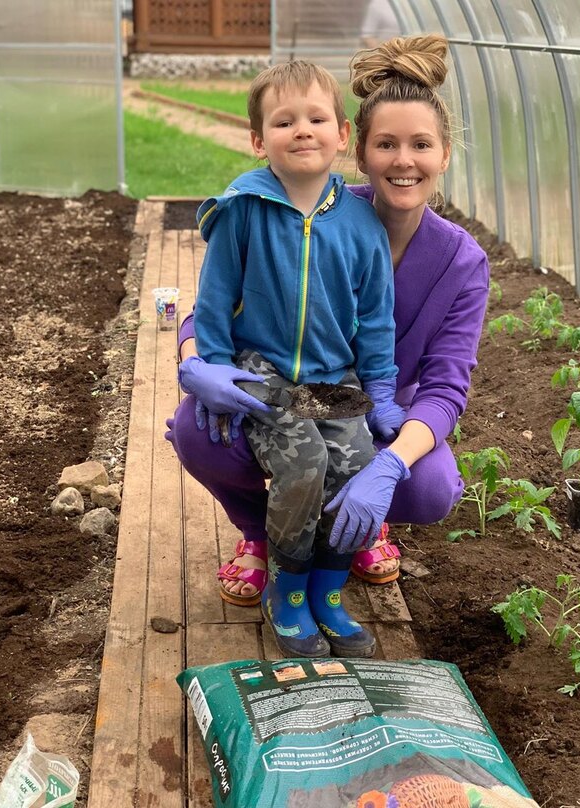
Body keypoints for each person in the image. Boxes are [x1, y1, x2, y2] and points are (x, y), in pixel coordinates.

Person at [165, 34, 489, 624]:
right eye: (386, 144)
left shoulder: (461, 263)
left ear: (445, 154)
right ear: (358, 150)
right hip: (285, 388)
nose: (403, 160)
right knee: (198, 431)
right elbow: (218, 301)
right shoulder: (313, 210)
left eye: (421, 145)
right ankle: (261, 537)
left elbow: (446, 388)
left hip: (384, 408)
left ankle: (356, 526)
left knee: (430, 485)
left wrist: (389, 461)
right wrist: (194, 362)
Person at [177, 60, 405, 659]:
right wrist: (215, 368)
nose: (302, 130)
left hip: (335, 378)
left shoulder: (362, 223)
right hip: (264, 374)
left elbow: (377, 316)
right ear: (259, 140)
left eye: (316, 118)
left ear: (341, 134)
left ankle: (329, 591)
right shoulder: (243, 210)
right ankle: (289, 593)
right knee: (302, 465)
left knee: (353, 463)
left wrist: (379, 389)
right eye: (284, 121)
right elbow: (216, 295)